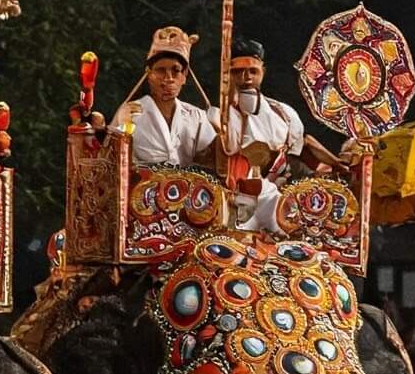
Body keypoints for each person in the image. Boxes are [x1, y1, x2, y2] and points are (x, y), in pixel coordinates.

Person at [211, 37, 352, 232]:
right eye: (238, 71)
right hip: (235, 204)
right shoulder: (218, 118)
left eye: (253, 71)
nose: (246, 77)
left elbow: (303, 147)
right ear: (228, 74)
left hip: (281, 201)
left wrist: (336, 164)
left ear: (263, 71)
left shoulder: (284, 113)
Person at [107, 29, 219, 168]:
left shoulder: (197, 116)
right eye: (161, 70)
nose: (169, 78)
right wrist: (122, 128)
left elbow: (211, 163)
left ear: (184, 76)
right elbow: (108, 161)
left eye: (176, 70)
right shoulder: (130, 113)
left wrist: (219, 134)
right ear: (149, 75)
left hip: (186, 182)